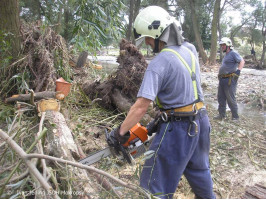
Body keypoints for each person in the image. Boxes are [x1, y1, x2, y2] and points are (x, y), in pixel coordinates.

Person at [108, 6, 215, 199]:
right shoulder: (190, 51)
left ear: (158, 34)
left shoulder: (160, 62)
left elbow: (141, 105)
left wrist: (121, 132)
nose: (148, 43)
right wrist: (161, 117)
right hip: (201, 123)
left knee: (154, 186)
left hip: (179, 130)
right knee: (200, 173)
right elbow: (186, 91)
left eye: (148, 38)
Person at [215, 37, 245, 120]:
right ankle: (222, 115)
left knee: (230, 98)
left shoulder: (233, 53)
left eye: (224, 45)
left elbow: (242, 61)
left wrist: (238, 71)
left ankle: (235, 117)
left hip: (230, 79)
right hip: (222, 79)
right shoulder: (226, 55)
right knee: (221, 97)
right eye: (221, 45)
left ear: (228, 45)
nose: (222, 47)